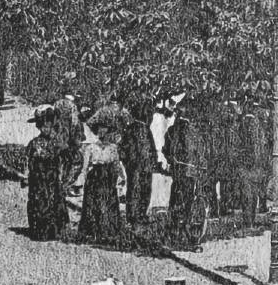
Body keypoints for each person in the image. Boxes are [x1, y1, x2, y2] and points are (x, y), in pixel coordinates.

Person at [74, 127, 125, 246]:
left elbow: (117, 164)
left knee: (108, 203)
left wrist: (122, 177)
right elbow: (85, 167)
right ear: (97, 133)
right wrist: (80, 182)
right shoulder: (90, 148)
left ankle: (108, 233)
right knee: (93, 203)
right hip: (94, 178)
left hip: (108, 177)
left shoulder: (113, 148)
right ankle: (92, 232)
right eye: (100, 132)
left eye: (106, 132)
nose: (103, 134)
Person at [163, 99, 199, 250]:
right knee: (188, 205)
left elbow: (167, 150)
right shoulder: (194, 132)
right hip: (189, 173)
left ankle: (175, 235)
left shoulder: (172, 131)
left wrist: (172, 160)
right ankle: (186, 237)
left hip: (179, 172)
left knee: (177, 202)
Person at [25, 107, 65, 240]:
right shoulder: (34, 143)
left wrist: (62, 175)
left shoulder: (56, 143)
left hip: (52, 176)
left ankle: (55, 231)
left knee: (54, 201)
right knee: (40, 202)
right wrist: (27, 176)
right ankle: (39, 231)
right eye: (43, 127)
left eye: (48, 126)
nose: (45, 130)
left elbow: (62, 160)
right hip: (38, 178)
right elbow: (29, 161)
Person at [120, 97, 157, 230]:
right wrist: (130, 163)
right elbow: (123, 149)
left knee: (145, 190)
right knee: (135, 190)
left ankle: (141, 214)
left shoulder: (146, 129)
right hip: (136, 166)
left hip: (145, 165)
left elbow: (151, 148)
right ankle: (133, 216)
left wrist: (153, 162)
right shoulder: (132, 129)